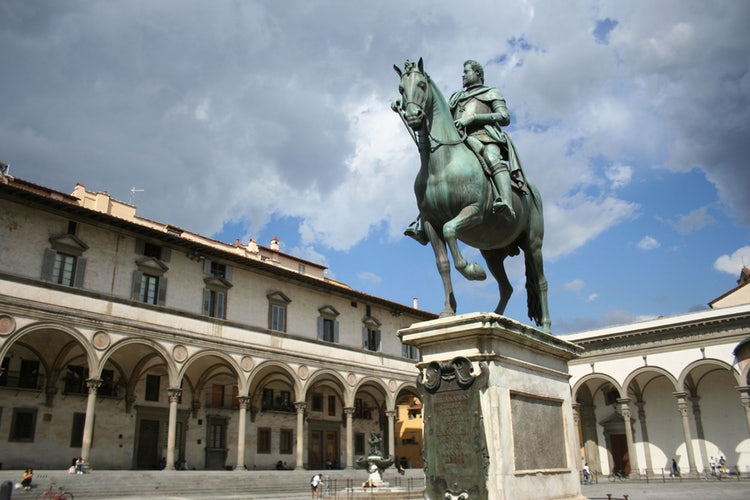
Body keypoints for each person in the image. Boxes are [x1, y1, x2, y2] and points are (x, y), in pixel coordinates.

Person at [405, 59, 523, 244]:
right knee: (436, 168)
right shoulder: (456, 98)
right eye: (463, 72)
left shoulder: (491, 92)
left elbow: (504, 117)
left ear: (478, 74)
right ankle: (423, 221)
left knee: (492, 158)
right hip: (459, 140)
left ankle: (506, 202)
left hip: (485, 136)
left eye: (466, 71)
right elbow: (441, 115)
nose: (463, 75)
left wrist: (473, 118)